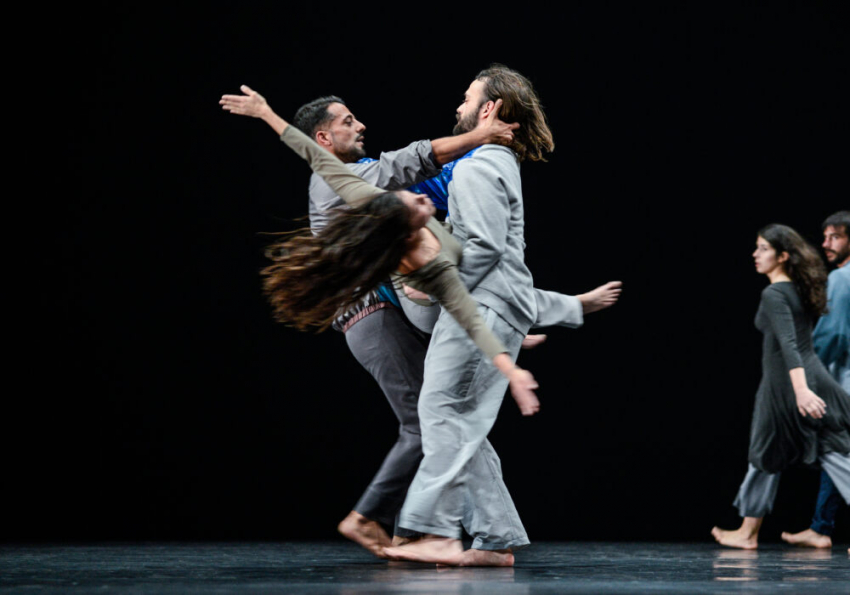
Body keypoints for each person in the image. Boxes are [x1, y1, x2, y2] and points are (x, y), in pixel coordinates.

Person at [220, 83, 623, 558]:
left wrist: (507, 342)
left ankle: (478, 538)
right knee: (430, 421)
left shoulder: (412, 224)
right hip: (377, 312)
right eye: (347, 121)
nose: (422, 201)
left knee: (449, 415)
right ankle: (394, 525)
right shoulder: (382, 215)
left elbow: (468, 294)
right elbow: (408, 169)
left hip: (411, 304)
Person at [383, 65, 560, 567]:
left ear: (489, 109)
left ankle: (459, 536)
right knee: (450, 417)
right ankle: (492, 538)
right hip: (490, 303)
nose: (458, 106)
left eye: (467, 98)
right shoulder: (492, 161)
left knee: (442, 413)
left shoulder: (479, 166)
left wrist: (431, 285)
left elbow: (483, 246)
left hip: (482, 303)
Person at [710, 223, 850, 550]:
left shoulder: (774, 294)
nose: (755, 254)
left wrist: (800, 390)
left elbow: (789, 345)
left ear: (783, 256)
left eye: (763, 249)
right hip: (807, 378)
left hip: (789, 385)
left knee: (782, 452)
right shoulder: (798, 290)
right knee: (787, 453)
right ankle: (747, 530)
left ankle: (747, 532)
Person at [781, 211, 850, 550]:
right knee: (837, 452)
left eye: (835, 236)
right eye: (824, 237)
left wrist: (809, 374)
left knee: (838, 450)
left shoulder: (842, 278)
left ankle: (821, 527)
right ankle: (821, 527)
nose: (826, 244)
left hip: (844, 381)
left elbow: (833, 334)